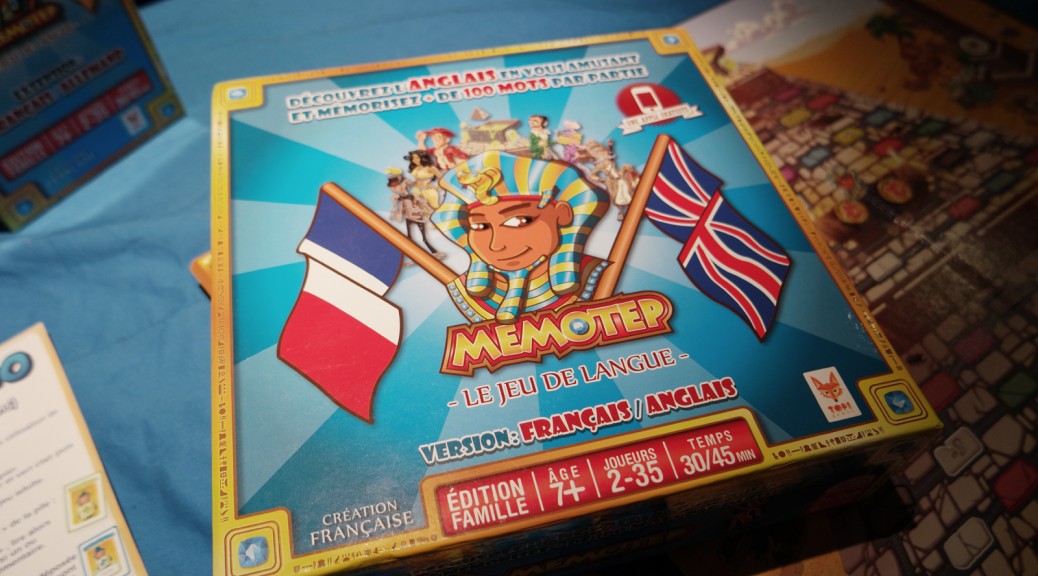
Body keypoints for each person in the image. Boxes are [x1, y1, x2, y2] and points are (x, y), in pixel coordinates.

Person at [431, 151, 610, 323]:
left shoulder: (601, 274)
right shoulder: (461, 285)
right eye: (480, 226)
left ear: (562, 213)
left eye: (520, 221)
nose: (496, 245)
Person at [387, 168, 444, 260]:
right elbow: (398, 208)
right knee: (409, 239)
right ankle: (413, 257)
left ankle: (435, 253)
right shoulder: (398, 198)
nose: (398, 189)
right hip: (408, 218)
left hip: (418, 217)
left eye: (399, 186)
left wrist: (429, 210)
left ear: (404, 184)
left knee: (424, 238)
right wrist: (395, 213)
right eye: (394, 188)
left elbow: (423, 203)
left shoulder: (413, 195)